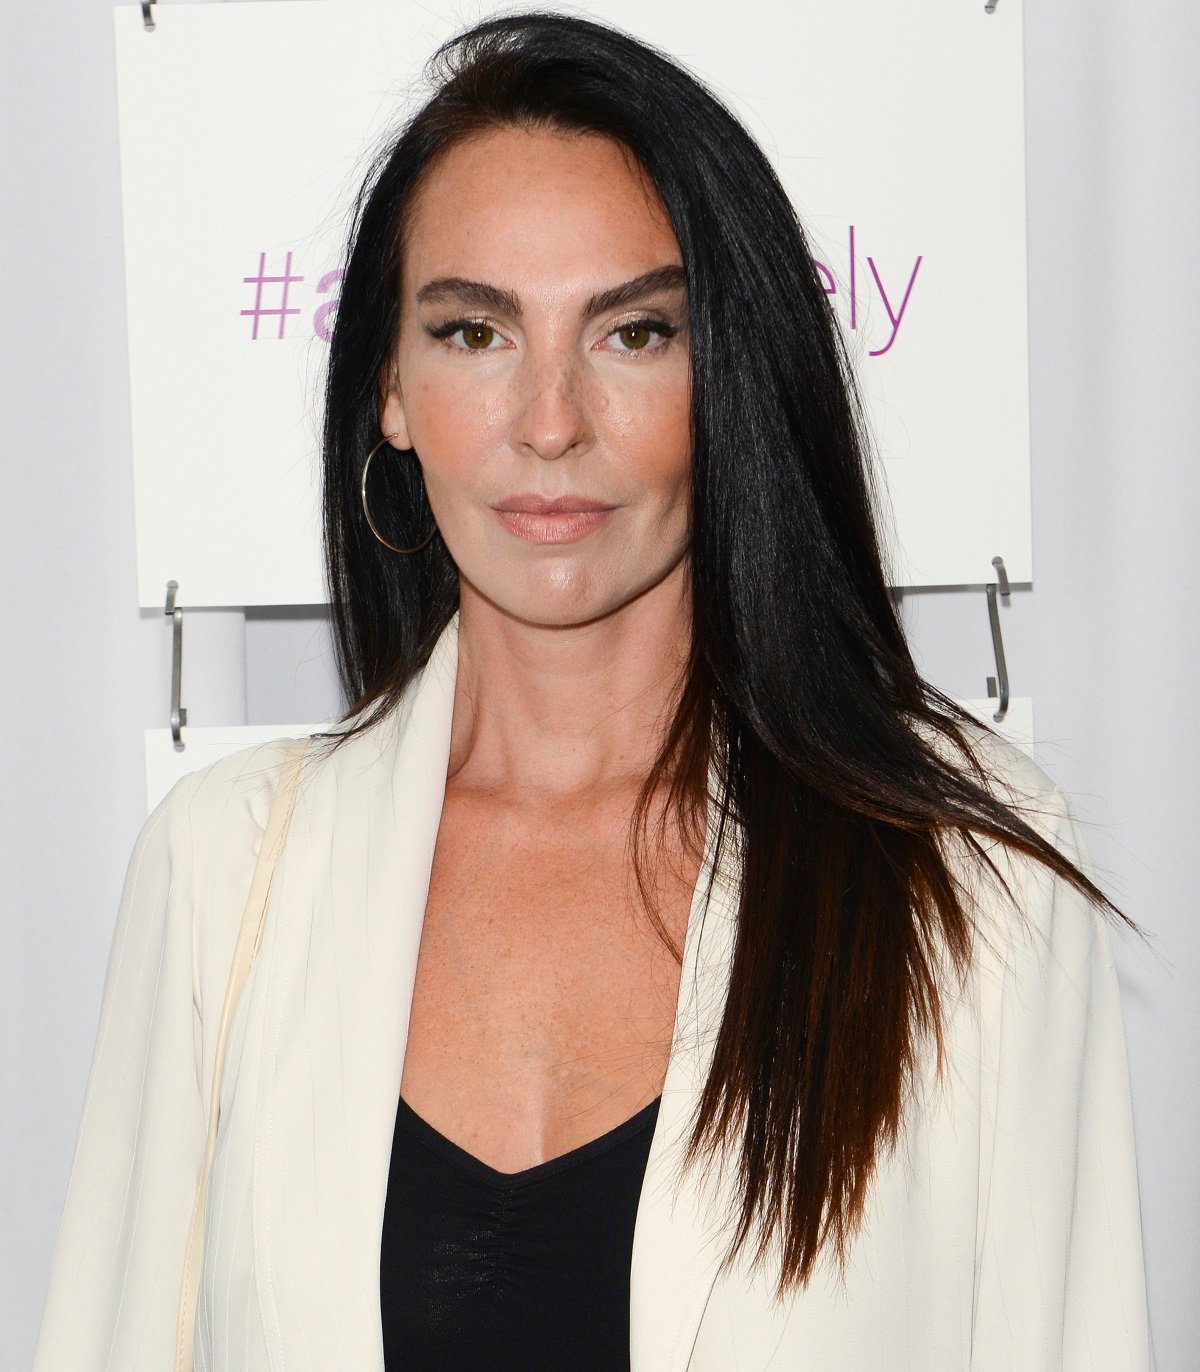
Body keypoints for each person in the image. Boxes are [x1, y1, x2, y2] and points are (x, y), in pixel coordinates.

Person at [33, 10, 1154, 1370]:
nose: (550, 421)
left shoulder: (970, 886)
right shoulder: (224, 874)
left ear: (725, 371)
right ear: (388, 384)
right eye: (473, 332)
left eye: (631, 334)